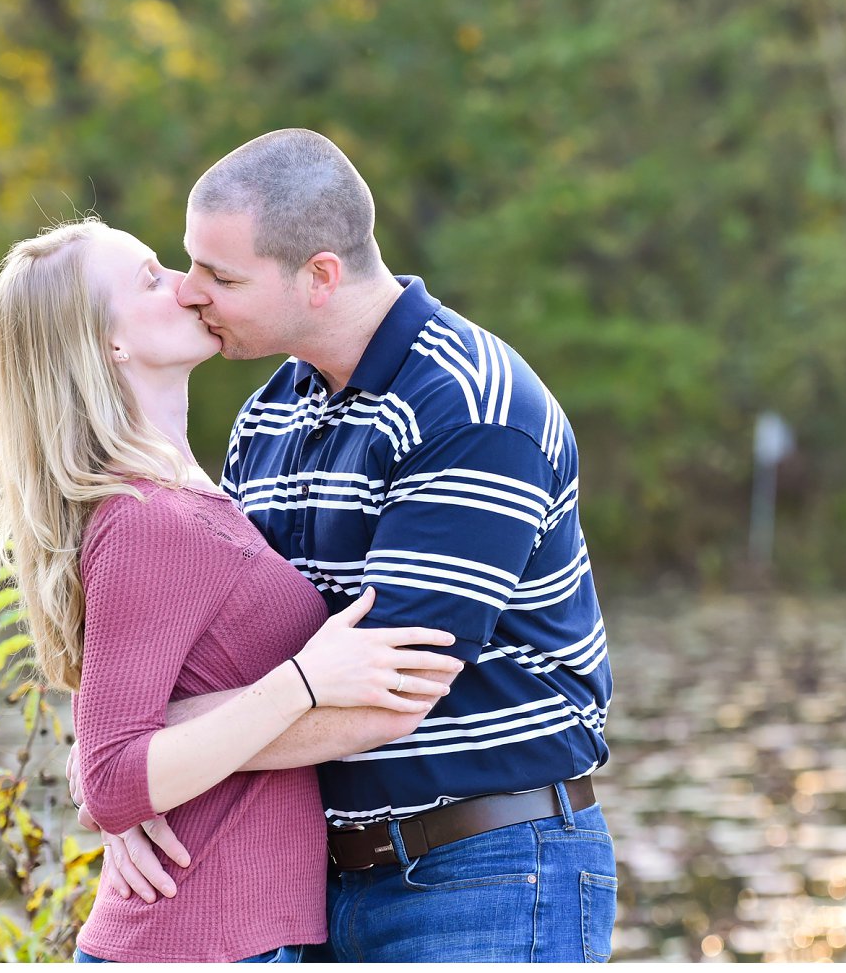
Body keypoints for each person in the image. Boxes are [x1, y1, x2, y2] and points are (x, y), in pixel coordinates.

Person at [73, 129, 618, 962]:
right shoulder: (269, 414)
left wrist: (141, 760)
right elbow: (238, 661)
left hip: (487, 871)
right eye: (191, 264)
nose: (191, 291)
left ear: (319, 275)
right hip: (319, 885)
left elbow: (386, 696)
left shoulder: (468, 408)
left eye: (221, 275)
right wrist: (137, 770)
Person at [0, 219, 463, 963]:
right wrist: (305, 682)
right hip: (196, 938)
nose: (189, 288)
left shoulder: (194, 498)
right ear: (108, 344)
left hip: (233, 932)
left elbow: (116, 749)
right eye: (153, 278)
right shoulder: (148, 519)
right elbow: (114, 776)